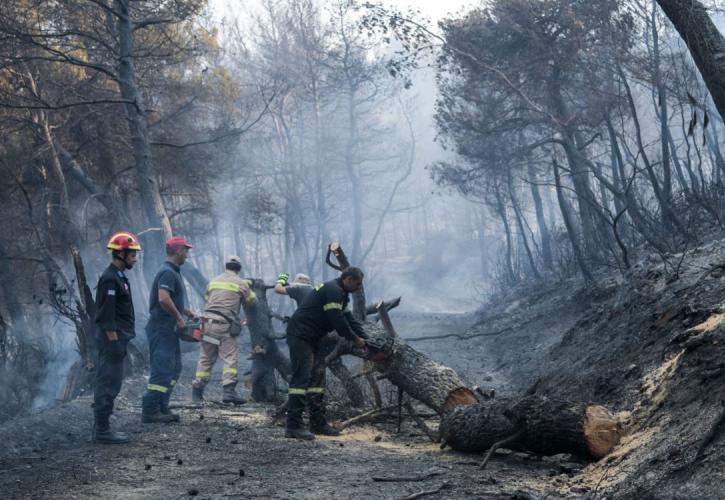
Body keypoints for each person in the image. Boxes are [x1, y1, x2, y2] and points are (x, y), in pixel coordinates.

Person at [285, 267, 367, 440]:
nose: (359, 288)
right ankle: (293, 426)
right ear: (349, 279)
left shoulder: (341, 294)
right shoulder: (333, 290)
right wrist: (354, 339)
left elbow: (349, 319)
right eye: (357, 284)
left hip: (314, 337)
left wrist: (365, 337)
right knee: (301, 379)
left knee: (317, 379)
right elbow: (337, 320)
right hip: (301, 335)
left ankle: (318, 423)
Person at [92, 231, 142, 444]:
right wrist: (113, 342)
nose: (135, 258)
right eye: (132, 254)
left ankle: (103, 429)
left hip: (119, 340)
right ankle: (102, 431)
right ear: (121, 253)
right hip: (111, 341)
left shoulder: (120, 277)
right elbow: (107, 315)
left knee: (113, 383)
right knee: (107, 383)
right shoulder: (109, 279)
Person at [141, 236, 195, 423]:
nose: (187, 254)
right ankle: (150, 411)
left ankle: (162, 405)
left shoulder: (173, 272)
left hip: (168, 329)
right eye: (185, 250)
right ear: (178, 250)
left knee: (174, 369)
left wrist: (187, 312)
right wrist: (179, 318)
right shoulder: (167, 272)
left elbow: (170, 298)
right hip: (161, 328)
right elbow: (163, 299)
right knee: (162, 369)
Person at [191, 256, 255, 404]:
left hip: (207, 325)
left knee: (206, 357)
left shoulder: (213, 281)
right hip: (224, 326)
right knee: (230, 357)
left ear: (226, 266)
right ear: (238, 269)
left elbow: (207, 298)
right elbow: (252, 301)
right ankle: (229, 393)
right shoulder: (241, 283)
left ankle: (197, 393)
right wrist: (248, 285)